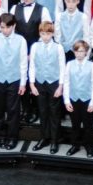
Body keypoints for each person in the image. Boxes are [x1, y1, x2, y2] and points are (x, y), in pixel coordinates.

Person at [0, 13, 28, 150]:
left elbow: (23, 62)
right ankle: (1, 136)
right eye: (2, 27)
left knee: (13, 110)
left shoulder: (21, 40)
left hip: (14, 79)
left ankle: (12, 137)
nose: (4, 30)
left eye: (7, 28)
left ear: (13, 26)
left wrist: (23, 82)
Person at [29, 21, 65, 153]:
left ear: (52, 34)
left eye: (48, 34)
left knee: (54, 113)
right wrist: (32, 84)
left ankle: (54, 140)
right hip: (39, 83)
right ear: (39, 33)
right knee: (42, 112)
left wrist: (60, 86)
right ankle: (44, 137)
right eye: (43, 34)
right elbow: (32, 65)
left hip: (54, 83)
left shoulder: (58, 47)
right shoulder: (34, 46)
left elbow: (62, 67)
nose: (45, 37)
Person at [63, 40, 93, 157]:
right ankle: (75, 145)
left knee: (88, 125)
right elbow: (66, 83)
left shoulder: (92, 66)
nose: (79, 54)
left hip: (87, 99)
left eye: (82, 51)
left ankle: (89, 147)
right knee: (75, 125)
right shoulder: (69, 64)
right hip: (74, 98)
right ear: (74, 52)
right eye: (77, 51)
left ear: (86, 52)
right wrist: (67, 100)